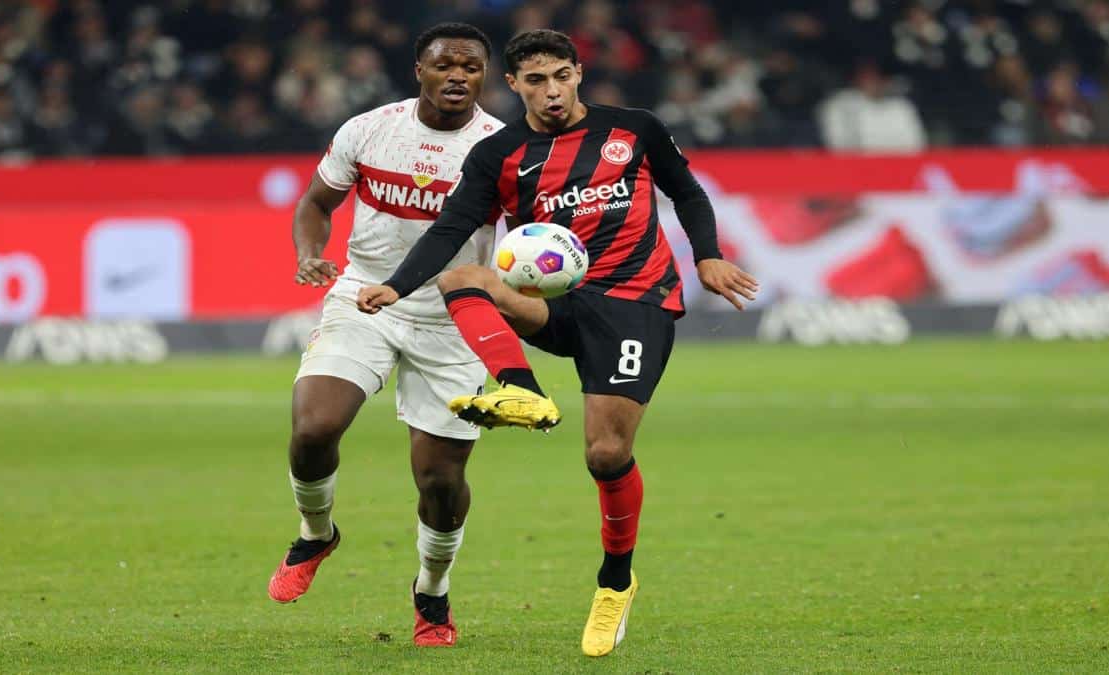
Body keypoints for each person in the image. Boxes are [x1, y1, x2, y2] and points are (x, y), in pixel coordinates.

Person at [357, 29, 758, 657]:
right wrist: (396, 285)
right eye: (537, 80)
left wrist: (707, 255)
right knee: (463, 279)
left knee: (605, 454)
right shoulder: (498, 154)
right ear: (513, 85)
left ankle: (615, 583)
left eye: (562, 76)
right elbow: (452, 228)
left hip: (633, 305)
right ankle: (521, 390)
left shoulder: (634, 129)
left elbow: (686, 190)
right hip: (555, 302)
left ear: (578, 75)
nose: (552, 91)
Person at [266, 23, 504, 649]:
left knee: (440, 482)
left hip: (452, 319)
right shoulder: (370, 130)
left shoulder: (502, 149)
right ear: (419, 70)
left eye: (471, 67)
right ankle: (316, 534)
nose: (458, 76)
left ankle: (432, 590)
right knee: (313, 427)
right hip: (365, 297)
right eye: (445, 65)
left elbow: (532, 235)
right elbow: (316, 204)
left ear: (485, 76)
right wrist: (309, 254)